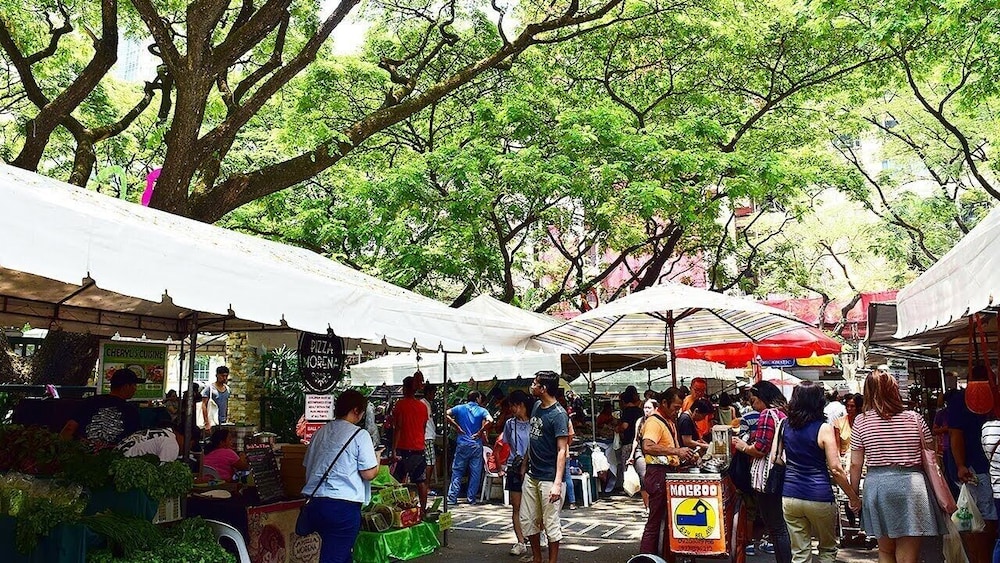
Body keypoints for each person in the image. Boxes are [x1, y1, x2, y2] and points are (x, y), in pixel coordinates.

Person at [850, 367, 943, 563]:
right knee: (908, 556)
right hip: (913, 487)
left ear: (868, 391)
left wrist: (854, 496)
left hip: (878, 488)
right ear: (894, 389)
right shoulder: (915, 418)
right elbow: (931, 455)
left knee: (885, 550)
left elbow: (855, 465)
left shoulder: (861, 421)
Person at [782, 381, 861, 563]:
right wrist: (853, 497)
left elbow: (777, 459)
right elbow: (836, 469)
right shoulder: (824, 428)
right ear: (819, 401)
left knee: (800, 553)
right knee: (827, 549)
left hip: (790, 496)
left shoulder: (785, 425)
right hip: (819, 495)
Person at [301, 389, 378, 563]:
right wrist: (378, 458)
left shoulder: (319, 433)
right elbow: (369, 473)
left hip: (315, 503)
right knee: (335, 556)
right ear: (356, 410)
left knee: (342, 554)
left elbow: (307, 466)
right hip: (342, 507)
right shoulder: (360, 435)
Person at [731, 380, 791, 562]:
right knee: (780, 525)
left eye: (754, 400)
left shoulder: (767, 414)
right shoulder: (783, 413)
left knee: (776, 527)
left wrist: (742, 446)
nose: (752, 405)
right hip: (782, 473)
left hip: (768, 475)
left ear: (762, 398)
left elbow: (760, 448)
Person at [519, 370, 570, 563]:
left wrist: (557, 483)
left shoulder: (559, 415)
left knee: (550, 523)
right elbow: (533, 439)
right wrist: (525, 464)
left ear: (544, 388)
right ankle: (537, 558)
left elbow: (562, 449)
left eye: (535, 383)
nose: (532, 386)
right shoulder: (536, 406)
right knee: (528, 519)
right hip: (532, 475)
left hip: (549, 477)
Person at [947, 373, 998, 561]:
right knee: (982, 517)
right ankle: (982, 557)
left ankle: (980, 557)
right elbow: (956, 435)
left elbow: (955, 434)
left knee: (977, 518)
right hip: (975, 469)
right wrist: (961, 465)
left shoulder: (961, 399)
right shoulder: (964, 400)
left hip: (976, 468)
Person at [640, 387, 694, 558]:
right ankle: (646, 558)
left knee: (665, 520)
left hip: (668, 472)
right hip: (658, 474)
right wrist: (677, 451)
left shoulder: (669, 420)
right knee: (654, 521)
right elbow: (647, 446)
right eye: (675, 407)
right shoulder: (654, 422)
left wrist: (684, 455)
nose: (677, 411)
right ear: (664, 403)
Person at [60, 368, 142, 449]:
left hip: (81, 453)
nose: (135, 389)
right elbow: (134, 441)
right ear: (126, 387)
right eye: (134, 385)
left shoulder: (89, 401)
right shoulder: (131, 411)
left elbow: (69, 428)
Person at [446, 390, 493, 504]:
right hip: (476, 444)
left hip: (462, 443)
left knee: (457, 471)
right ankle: (471, 498)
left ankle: (452, 497)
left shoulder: (459, 408)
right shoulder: (482, 410)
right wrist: (480, 432)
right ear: (477, 399)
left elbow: (445, 413)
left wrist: (456, 426)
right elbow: (490, 420)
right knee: (475, 472)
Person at [391, 376, 430, 514]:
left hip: (403, 447)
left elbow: (398, 427)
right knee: (420, 481)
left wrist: (394, 449)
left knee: (396, 480)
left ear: (405, 388)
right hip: (419, 447)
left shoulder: (400, 405)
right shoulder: (422, 407)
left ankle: (397, 509)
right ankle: (423, 509)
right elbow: (424, 427)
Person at [503, 390, 534, 557]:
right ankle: (521, 541)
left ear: (520, 405)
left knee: (535, 506)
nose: (511, 409)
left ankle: (538, 534)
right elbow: (507, 442)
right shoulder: (510, 424)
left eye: (513, 406)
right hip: (514, 467)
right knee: (516, 506)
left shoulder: (534, 422)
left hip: (532, 467)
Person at [625, 398, 658, 517]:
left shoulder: (658, 422)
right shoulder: (640, 421)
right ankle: (647, 506)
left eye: (649, 408)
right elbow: (636, 439)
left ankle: (655, 506)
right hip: (640, 451)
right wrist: (632, 455)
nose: (646, 410)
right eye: (645, 408)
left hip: (655, 451)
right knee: (644, 478)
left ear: (655, 409)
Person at [118, 421, 184, 463]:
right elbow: (165, 471)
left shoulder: (163, 433)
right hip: (123, 463)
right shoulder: (171, 443)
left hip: (118, 454)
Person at [202, 365, 231, 433]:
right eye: (222, 376)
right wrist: (206, 422)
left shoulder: (227, 389)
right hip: (212, 420)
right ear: (217, 375)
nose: (224, 378)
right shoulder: (210, 388)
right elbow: (203, 405)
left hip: (223, 420)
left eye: (226, 376)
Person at [422, 383, 438, 484]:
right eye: (433, 393)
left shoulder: (427, 404)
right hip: (426, 436)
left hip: (429, 435)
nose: (434, 396)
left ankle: (426, 484)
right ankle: (426, 485)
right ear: (428, 393)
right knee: (430, 462)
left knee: (430, 462)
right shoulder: (423, 404)